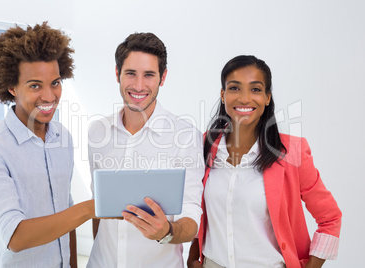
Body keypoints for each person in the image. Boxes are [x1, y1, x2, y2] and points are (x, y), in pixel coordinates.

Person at [187, 55, 342, 268]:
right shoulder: (204, 144)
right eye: (234, 88)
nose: (244, 98)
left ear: (267, 97)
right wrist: (193, 258)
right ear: (223, 95)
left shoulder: (291, 153)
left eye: (256, 89)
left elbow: (330, 219)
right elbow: (196, 207)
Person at [0, 22, 96, 267]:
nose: (49, 96)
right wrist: (89, 209)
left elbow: (64, 209)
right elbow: (15, 237)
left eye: (56, 83)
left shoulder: (63, 137)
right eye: (35, 85)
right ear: (12, 87)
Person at [87, 32, 204, 267]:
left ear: (163, 78)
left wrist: (167, 231)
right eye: (130, 73)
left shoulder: (185, 136)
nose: (139, 85)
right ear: (118, 74)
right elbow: (98, 204)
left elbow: (191, 216)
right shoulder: (97, 132)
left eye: (149, 75)